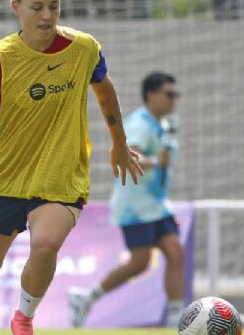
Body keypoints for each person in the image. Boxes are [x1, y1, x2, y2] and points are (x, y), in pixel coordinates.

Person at [0, 0, 143, 335]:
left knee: (46, 244)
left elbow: (105, 90)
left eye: (54, 6)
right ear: (15, 7)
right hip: (6, 179)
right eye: (37, 6)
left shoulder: (83, 48)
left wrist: (119, 144)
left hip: (62, 174)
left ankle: (23, 318)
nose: (46, 15)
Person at [68, 71, 185, 327]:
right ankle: (86, 297)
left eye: (176, 94)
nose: (174, 99)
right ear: (151, 95)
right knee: (139, 262)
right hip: (136, 206)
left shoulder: (164, 125)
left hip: (157, 205)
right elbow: (131, 156)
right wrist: (155, 162)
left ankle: (178, 319)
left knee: (175, 252)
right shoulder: (139, 124)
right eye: (169, 94)